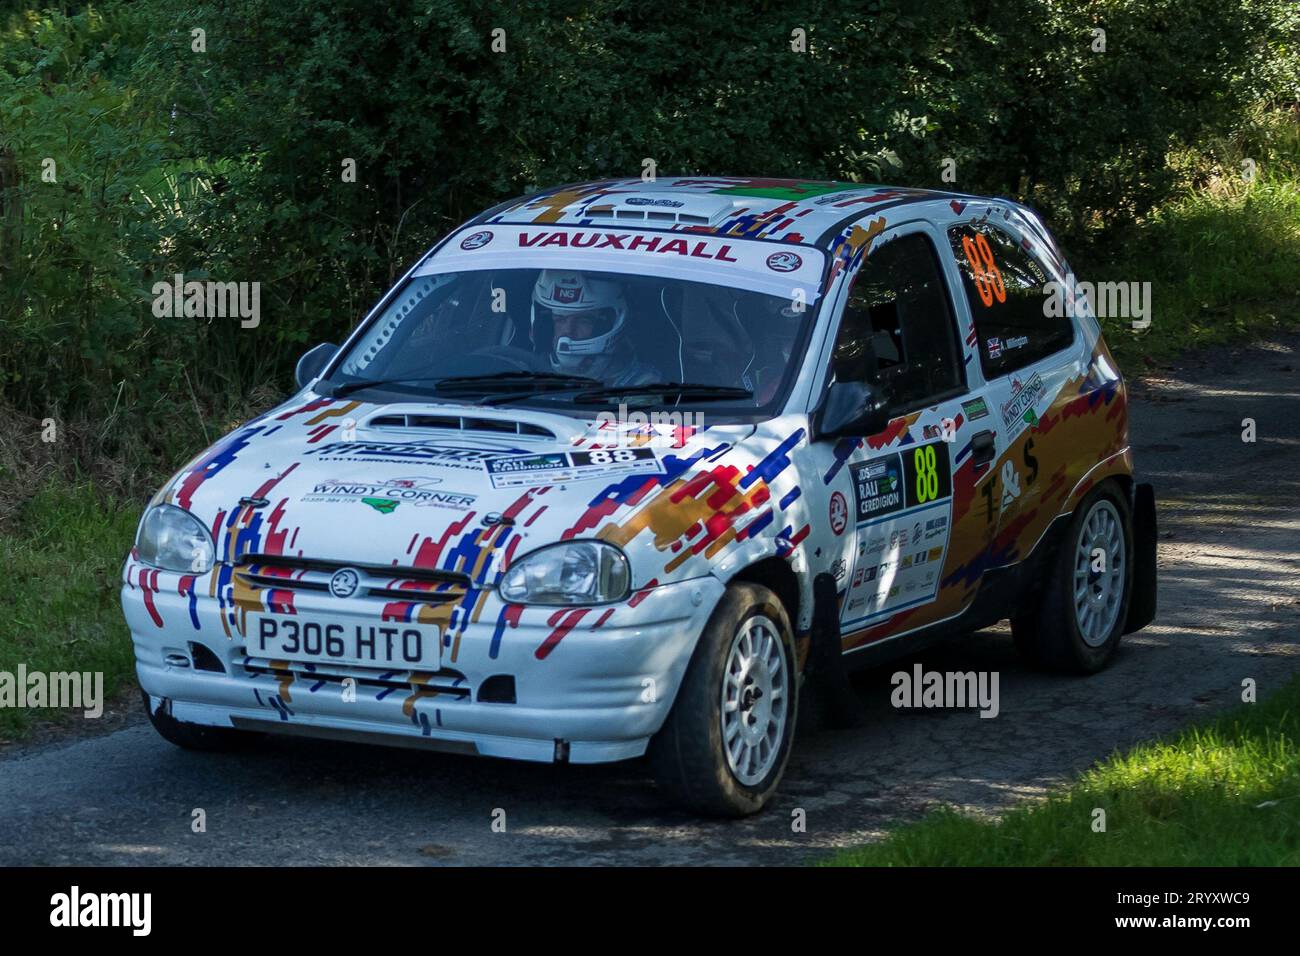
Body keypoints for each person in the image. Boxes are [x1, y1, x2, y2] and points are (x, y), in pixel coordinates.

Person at [530, 271, 660, 386]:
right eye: (559, 319)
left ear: (609, 323)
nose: (568, 331)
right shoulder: (526, 373)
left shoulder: (643, 386)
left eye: (584, 321)